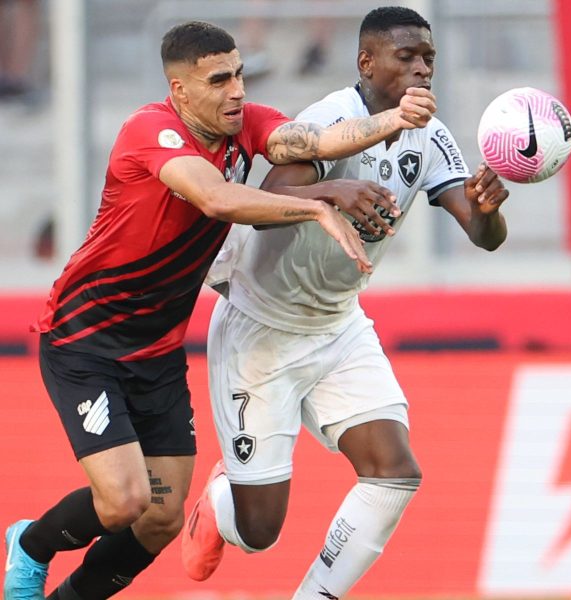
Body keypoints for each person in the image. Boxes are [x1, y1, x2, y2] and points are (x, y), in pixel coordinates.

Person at [3, 19, 438, 600]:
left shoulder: (247, 122)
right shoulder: (150, 132)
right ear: (180, 91)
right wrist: (319, 203)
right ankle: (31, 544)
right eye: (218, 80)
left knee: (158, 520)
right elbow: (214, 197)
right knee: (125, 500)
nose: (236, 90)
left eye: (237, 73)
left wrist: (395, 119)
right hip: (87, 341)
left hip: (157, 354)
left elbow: (311, 142)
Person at [181, 6, 509, 599]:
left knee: (396, 473)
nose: (421, 69)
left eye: (428, 58)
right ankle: (220, 498)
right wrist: (335, 188)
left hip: (338, 324)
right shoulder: (329, 119)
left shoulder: (432, 136)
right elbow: (270, 202)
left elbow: (484, 237)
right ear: (367, 62)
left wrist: (487, 211)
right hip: (262, 329)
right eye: (405, 57)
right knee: (259, 533)